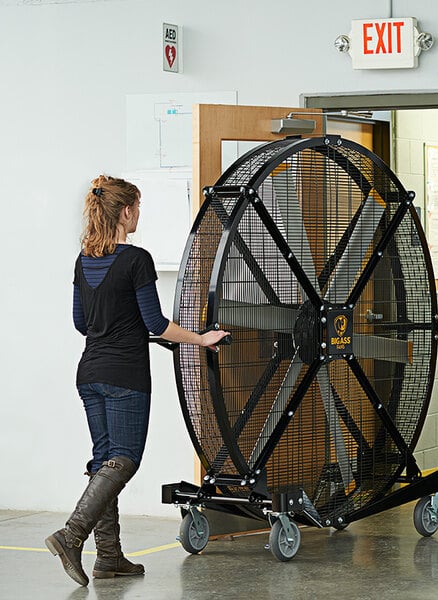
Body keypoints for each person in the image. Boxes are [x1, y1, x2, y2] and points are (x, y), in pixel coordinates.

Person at [45, 175, 230, 586]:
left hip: (89, 372)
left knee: (104, 461)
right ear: (125, 211)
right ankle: (71, 535)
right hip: (125, 374)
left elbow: (82, 323)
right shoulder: (136, 259)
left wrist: (116, 324)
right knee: (124, 459)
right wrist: (200, 338)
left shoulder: (84, 260)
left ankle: (108, 558)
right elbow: (155, 323)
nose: (139, 214)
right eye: (138, 207)